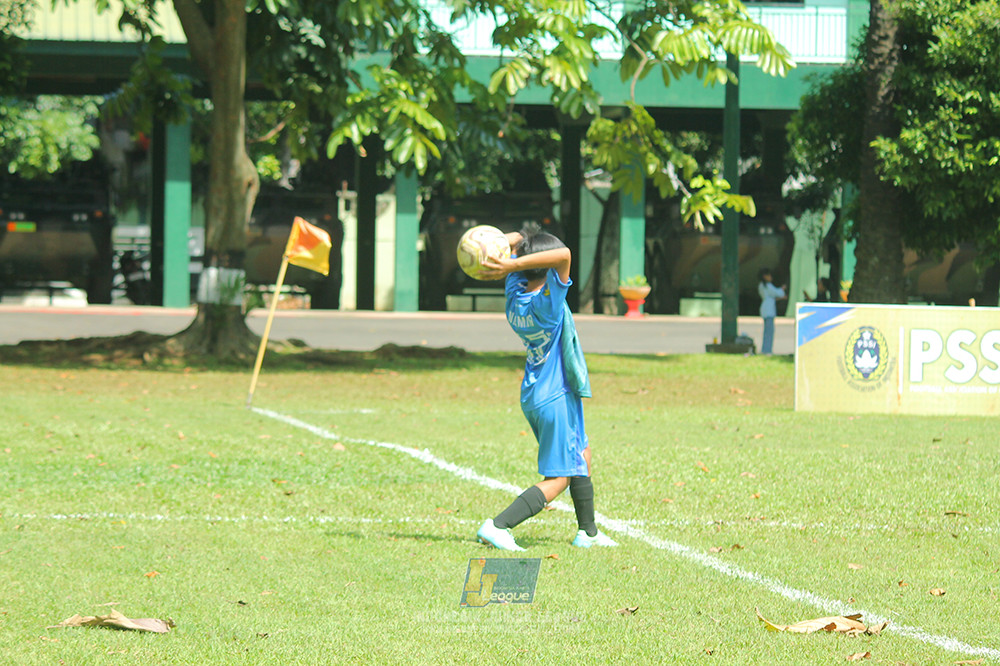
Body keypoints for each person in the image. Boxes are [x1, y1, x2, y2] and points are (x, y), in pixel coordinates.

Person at [473, 230, 618, 551]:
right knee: (560, 478)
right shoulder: (547, 303)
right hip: (556, 395)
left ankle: (588, 532)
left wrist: (509, 254)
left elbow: (518, 238)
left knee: (581, 453)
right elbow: (564, 254)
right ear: (548, 270)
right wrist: (513, 261)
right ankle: (498, 525)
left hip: (537, 392)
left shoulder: (516, 291)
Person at [758, 268, 786, 355]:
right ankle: (767, 350)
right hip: (768, 310)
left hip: (766, 309)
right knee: (769, 332)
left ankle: (765, 349)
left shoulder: (762, 286)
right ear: (765, 276)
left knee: (767, 331)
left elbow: (772, 297)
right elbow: (777, 293)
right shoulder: (768, 286)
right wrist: (782, 289)